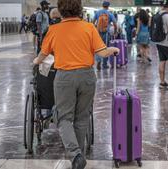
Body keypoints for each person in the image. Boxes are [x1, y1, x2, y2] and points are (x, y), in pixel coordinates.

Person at [33, 0, 120, 168]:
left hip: (64, 77)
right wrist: (113, 50)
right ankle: (77, 159)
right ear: (79, 9)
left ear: (60, 10)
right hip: (87, 76)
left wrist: (35, 61)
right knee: (82, 118)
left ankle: (75, 155)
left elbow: (43, 55)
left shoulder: (54, 30)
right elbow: (102, 53)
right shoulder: (88, 27)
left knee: (63, 118)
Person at [93, 1, 117, 70]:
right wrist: (115, 32)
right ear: (108, 6)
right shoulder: (110, 13)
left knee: (98, 47)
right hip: (107, 33)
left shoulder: (97, 12)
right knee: (106, 48)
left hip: (98, 33)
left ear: (102, 5)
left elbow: (93, 22)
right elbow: (115, 24)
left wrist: (95, 29)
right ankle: (104, 64)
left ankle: (98, 61)